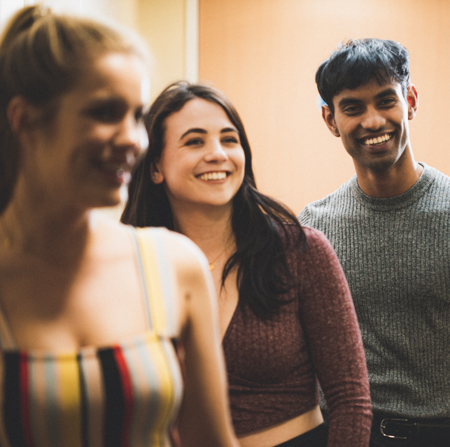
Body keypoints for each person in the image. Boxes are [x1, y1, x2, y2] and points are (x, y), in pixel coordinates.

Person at [0, 5, 240, 447]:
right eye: (105, 112)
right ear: (25, 120)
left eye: (136, 115)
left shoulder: (174, 265)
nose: (134, 139)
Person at [121, 80, 372, 447]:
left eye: (229, 139)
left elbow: (351, 399)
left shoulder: (300, 252)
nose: (218, 154)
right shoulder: (133, 266)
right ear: (155, 166)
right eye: (194, 141)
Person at [299, 38, 450, 447]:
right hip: (347, 435)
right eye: (353, 108)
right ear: (331, 120)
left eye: (386, 101)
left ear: (411, 100)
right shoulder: (313, 228)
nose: (372, 121)